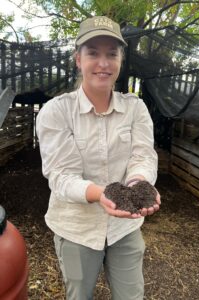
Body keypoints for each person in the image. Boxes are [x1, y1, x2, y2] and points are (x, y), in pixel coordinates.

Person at [36, 15, 161, 300]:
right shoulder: (57, 112)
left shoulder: (135, 108)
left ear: (120, 60)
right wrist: (99, 194)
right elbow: (61, 175)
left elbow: (143, 155)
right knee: (79, 295)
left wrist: (139, 183)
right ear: (78, 59)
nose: (103, 63)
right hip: (76, 227)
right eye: (93, 53)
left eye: (111, 54)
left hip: (124, 226)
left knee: (131, 296)